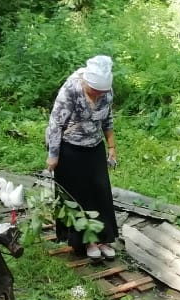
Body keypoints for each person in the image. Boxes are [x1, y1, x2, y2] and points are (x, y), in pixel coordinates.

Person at [45, 55, 119, 259]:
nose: (98, 95)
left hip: (94, 146)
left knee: (100, 192)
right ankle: (87, 241)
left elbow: (108, 118)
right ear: (86, 82)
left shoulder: (106, 92)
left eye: (102, 92)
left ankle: (103, 238)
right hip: (70, 149)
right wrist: (53, 155)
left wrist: (111, 146)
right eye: (94, 90)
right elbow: (55, 124)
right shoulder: (71, 90)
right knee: (78, 196)